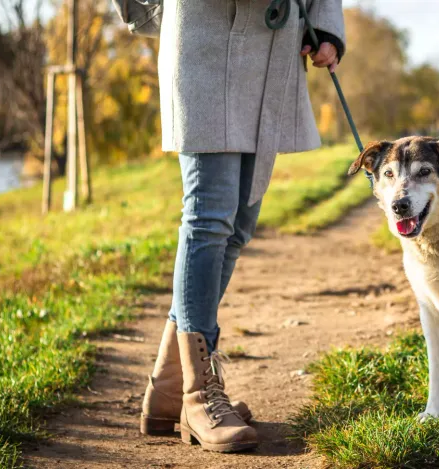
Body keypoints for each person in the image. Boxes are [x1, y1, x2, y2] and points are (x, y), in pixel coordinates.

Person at [138, 0, 345, 453]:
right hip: (204, 42)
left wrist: (325, 28)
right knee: (209, 218)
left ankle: (168, 391)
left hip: (271, 52)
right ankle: (197, 395)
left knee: (237, 227)